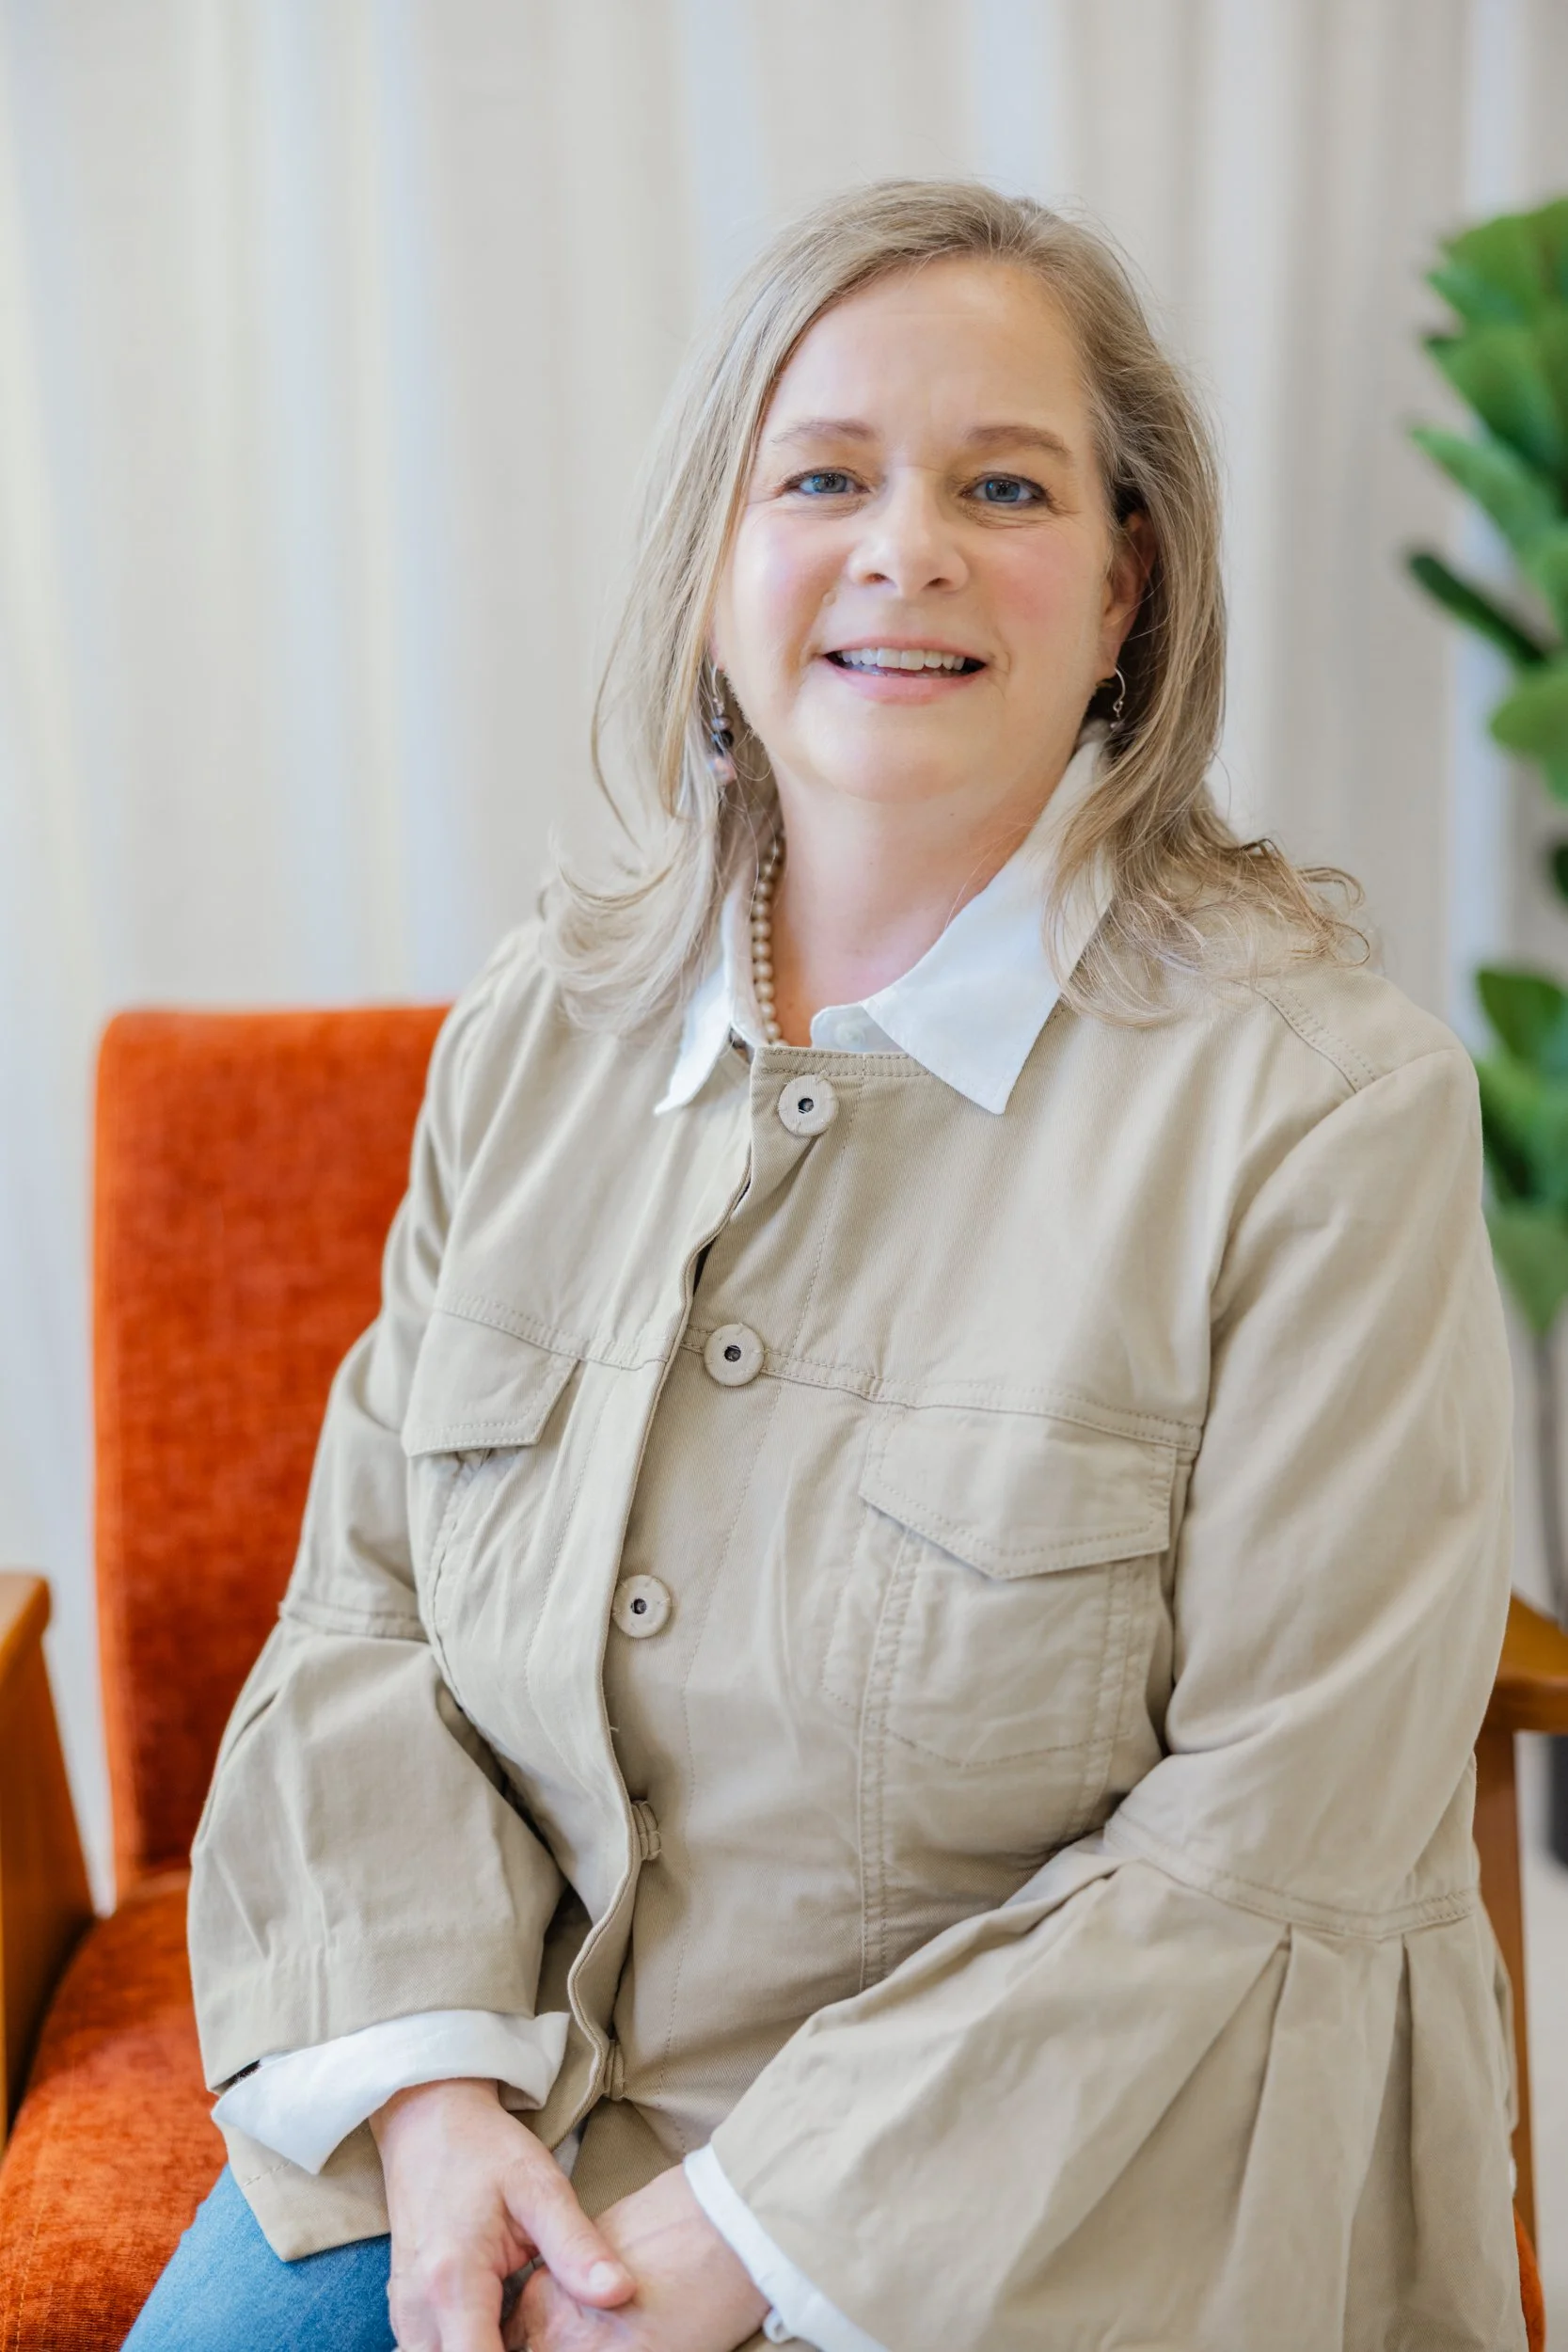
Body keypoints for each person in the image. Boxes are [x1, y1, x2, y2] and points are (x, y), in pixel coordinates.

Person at [126, 180, 1523, 2352]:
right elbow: (368, 1598)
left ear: (1124, 584)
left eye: (1003, 484)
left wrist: (754, 2237)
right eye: (824, 477)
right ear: (714, 566)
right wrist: (421, 2087)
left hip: (1065, 2197)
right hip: (518, 2097)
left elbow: (1268, 1838)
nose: (907, 549)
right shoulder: (544, 1023)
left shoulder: (1327, 1113)